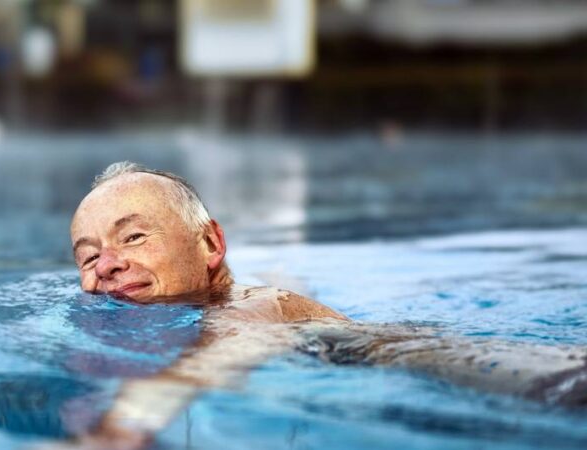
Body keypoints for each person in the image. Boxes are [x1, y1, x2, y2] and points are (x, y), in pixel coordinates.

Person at [59, 162, 587, 450]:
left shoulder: (257, 306)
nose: (107, 265)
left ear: (211, 243)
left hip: (530, 378)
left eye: (133, 237)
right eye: (88, 256)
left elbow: (230, 343)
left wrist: (118, 430)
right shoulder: (267, 297)